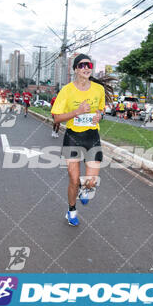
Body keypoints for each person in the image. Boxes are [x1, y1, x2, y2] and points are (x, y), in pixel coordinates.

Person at [51, 54, 114, 227]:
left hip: (92, 136)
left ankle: (85, 191)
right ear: (76, 70)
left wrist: (98, 116)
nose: (86, 68)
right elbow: (56, 118)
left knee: (91, 183)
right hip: (73, 136)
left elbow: (101, 110)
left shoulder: (98, 89)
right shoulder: (67, 90)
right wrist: (76, 112)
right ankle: (71, 210)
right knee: (73, 179)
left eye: (89, 65)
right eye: (82, 65)